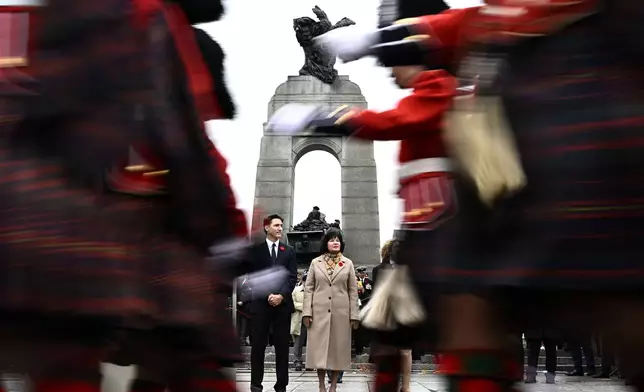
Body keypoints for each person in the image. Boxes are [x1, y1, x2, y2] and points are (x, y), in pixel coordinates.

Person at [315, 1, 644, 391]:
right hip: (504, 173)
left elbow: (407, 109)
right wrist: (388, 40)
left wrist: (371, 65)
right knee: (466, 315)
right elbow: (468, 25)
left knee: (618, 303)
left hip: (576, 132)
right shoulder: (485, 38)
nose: (390, 73)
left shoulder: (442, 83)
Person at [303, 229, 359, 392]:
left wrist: (354, 314)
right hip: (318, 312)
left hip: (341, 313)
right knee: (319, 350)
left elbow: (353, 291)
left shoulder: (347, 263)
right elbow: (309, 288)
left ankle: (333, 385)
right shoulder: (315, 262)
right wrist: (307, 311)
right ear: (325, 243)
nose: (335, 242)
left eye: (338, 240)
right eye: (332, 239)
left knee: (338, 350)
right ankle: (321, 385)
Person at [247, 214, 297, 392]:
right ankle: (255, 384)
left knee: (282, 348)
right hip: (261, 304)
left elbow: (292, 277)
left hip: (282, 306)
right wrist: (269, 294)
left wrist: (281, 296)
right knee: (258, 347)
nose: (280, 228)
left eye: (281, 225)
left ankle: (281, 385)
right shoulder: (255, 251)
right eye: (276, 225)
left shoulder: (289, 251)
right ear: (267, 227)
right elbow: (253, 276)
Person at [291, 272, 306, 371]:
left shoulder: (315, 291)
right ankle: (297, 361)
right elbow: (293, 303)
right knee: (298, 342)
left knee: (312, 342)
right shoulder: (296, 290)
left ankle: (311, 362)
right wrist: (305, 307)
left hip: (313, 319)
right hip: (299, 319)